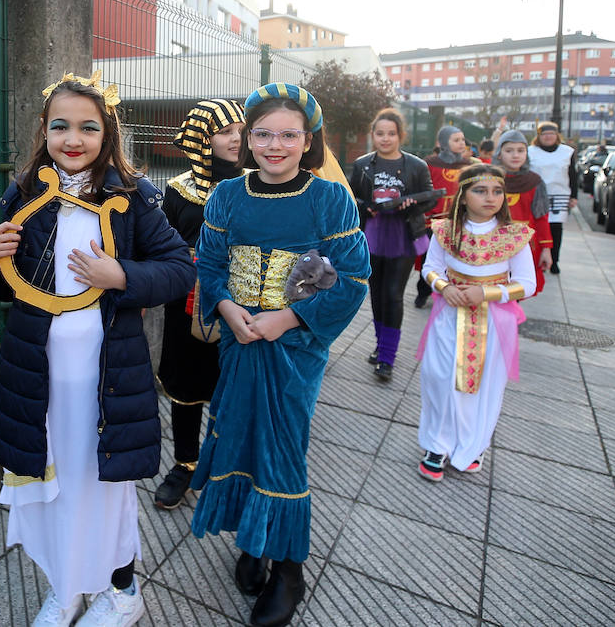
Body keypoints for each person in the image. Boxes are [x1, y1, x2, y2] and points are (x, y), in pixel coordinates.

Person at [0, 72, 194, 627]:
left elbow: (178, 270)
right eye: (61, 126)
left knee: (101, 488)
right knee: (52, 485)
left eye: (89, 127)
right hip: (38, 375)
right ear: (44, 130)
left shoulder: (134, 196)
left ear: (108, 132)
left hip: (105, 378)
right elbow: (6, 285)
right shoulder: (24, 192)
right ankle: (67, 587)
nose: (74, 139)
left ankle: (121, 591)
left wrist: (120, 273)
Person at [189, 83, 369, 627]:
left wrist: (285, 319)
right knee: (238, 434)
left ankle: (290, 570)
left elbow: (354, 279)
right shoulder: (226, 196)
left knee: (285, 448)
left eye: (288, 134)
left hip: (296, 347)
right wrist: (224, 307)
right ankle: (254, 541)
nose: (274, 145)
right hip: (241, 340)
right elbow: (210, 265)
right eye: (262, 133)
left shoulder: (329, 198)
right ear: (247, 138)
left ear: (308, 140)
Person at [153, 98, 246, 510]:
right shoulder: (177, 191)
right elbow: (161, 248)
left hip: (241, 308)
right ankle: (184, 464)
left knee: (231, 389)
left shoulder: (255, 185)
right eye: (226, 132)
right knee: (186, 387)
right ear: (201, 140)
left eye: (241, 131)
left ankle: (221, 463)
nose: (237, 139)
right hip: (184, 308)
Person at [415, 163, 535, 482]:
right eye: (480, 191)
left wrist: (487, 292)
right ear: (463, 196)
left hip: (493, 323)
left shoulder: (515, 236)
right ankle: (436, 446)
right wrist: (445, 288)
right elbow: (430, 268)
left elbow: (528, 283)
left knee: (483, 386)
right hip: (448, 317)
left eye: (497, 191)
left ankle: (472, 445)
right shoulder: (445, 230)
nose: (490, 197)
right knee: (439, 379)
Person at [347, 108, 434, 382]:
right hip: (371, 235)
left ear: (400, 135)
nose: (385, 139)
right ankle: (380, 344)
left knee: (394, 295)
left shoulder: (416, 166)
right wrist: (366, 207)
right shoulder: (362, 164)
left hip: (404, 235)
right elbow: (352, 198)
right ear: (373, 135)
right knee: (376, 294)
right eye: (380, 133)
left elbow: (430, 198)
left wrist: (412, 204)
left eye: (391, 134)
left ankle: (387, 358)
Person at [413, 125, 474, 309]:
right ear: (443, 142)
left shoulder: (470, 165)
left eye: (463, 139)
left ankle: (451, 292)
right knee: (429, 260)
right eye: (456, 140)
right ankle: (423, 292)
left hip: (459, 222)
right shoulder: (429, 163)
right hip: (432, 223)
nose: (461, 143)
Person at [493, 131, 554, 296]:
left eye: (521, 150)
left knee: (517, 290)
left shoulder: (534, 182)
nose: (515, 155)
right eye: (509, 150)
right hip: (492, 243)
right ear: (499, 154)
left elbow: (541, 218)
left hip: (525, 246)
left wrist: (546, 249)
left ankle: (510, 321)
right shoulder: (489, 179)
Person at [527, 121, 578, 273]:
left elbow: (573, 175)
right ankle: (538, 259)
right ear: (539, 136)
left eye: (551, 134)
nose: (548, 137)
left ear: (556, 136)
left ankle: (554, 261)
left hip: (559, 193)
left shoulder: (566, 152)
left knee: (555, 228)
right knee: (537, 227)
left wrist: (573, 196)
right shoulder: (531, 151)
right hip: (537, 194)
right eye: (544, 134)